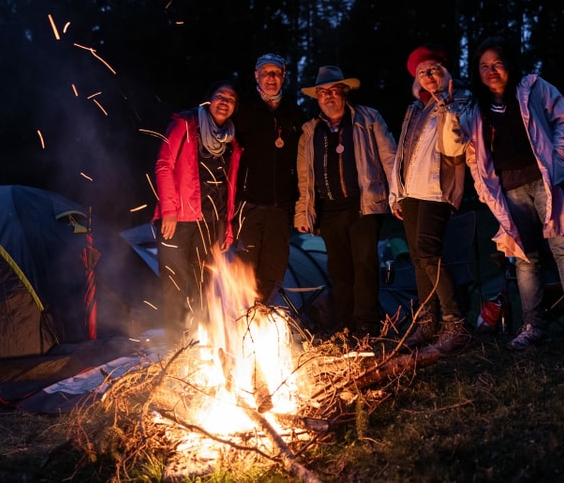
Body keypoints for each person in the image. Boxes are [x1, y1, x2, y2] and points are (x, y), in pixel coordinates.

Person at [461, 35, 564, 363]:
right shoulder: (477, 110)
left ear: (509, 63)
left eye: (496, 63)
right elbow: (472, 154)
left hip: (546, 184)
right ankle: (533, 326)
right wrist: (484, 191)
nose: (491, 71)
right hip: (510, 192)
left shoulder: (532, 88)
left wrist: (558, 161)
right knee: (526, 259)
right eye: (483, 66)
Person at [294, 66, 397, 339]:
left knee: (364, 264)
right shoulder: (310, 131)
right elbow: (305, 178)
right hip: (329, 210)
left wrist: (398, 195)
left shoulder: (368, 118)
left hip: (363, 204)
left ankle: (367, 325)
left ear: (344, 93)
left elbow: (390, 158)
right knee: (339, 269)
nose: (328, 97)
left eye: (334, 91)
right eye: (322, 92)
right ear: (317, 98)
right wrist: (302, 213)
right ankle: (346, 327)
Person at [388, 44, 473, 353]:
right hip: (412, 191)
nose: (428, 75)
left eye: (433, 69)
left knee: (428, 251)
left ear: (445, 71)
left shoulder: (459, 101)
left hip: (438, 188)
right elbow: (402, 152)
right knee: (417, 257)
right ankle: (427, 323)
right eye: (422, 72)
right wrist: (397, 192)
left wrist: (449, 109)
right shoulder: (414, 109)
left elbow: (455, 148)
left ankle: (455, 323)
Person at [153, 80, 241, 343]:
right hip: (178, 220)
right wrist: (169, 210)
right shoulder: (185, 125)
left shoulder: (231, 140)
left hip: (210, 222)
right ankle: (174, 342)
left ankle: (202, 340)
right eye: (220, 96)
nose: (224, 102)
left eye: (231, 99)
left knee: (205, 283)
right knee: (175, 282)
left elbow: (229, 187)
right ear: (209, 100)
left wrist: (227, 227)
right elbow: (163, 165)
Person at [232, 53, 305, 306]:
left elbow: (303, 159)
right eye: (266, 73)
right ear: (257, 76)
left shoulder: (294, 112)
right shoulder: (243, 109)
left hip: (282, 206)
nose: (271, 78)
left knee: (274, 266)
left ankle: (261, 318)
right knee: (245, 265)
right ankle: (240, 318)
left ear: (283, 76)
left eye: (276, 73)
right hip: (249, 203)